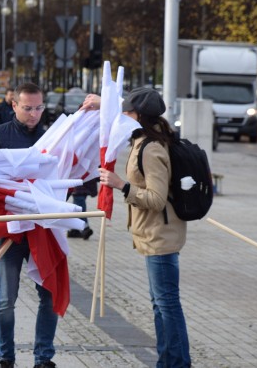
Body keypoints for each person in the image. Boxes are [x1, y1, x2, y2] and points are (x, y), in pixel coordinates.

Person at [92, 88, 191, 367]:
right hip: (152, 234)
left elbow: (157, 199)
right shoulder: (144, 139)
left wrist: (121, 185)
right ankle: (168, 360)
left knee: (167, 305)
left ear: (140, 117)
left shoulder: (152, 148)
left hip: (160, 236)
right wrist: (101, 105)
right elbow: (111, 122)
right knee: (161, 305)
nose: (123, 116)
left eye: (128, 112)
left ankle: (178, 362)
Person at [0, 83, 57, 368]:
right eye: (28, 108)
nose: (34, 114)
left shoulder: (52, 138)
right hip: (8, 229)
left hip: (44, 229)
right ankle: (6, 358)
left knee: (49, 295)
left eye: (39, 108)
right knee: (5, 299)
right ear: (14, 105)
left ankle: (44, 357)